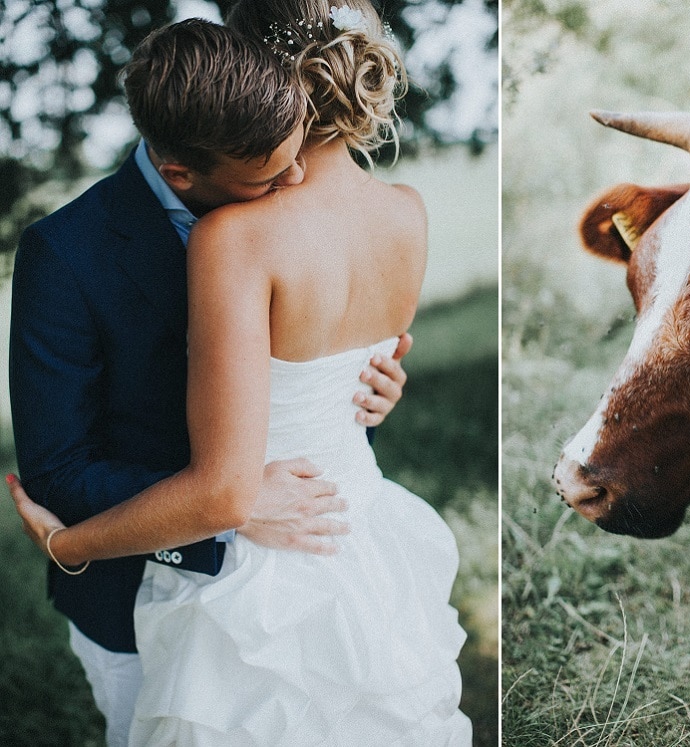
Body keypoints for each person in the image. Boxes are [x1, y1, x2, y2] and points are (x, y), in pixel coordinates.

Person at [11, 2, 470, 744]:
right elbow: (58, 467)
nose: (289, 172)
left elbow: (332, 366)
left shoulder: (244, 235)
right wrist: (229, 509)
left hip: (323, 546)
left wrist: (371, 386)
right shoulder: (64, 253)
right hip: (152, 593)